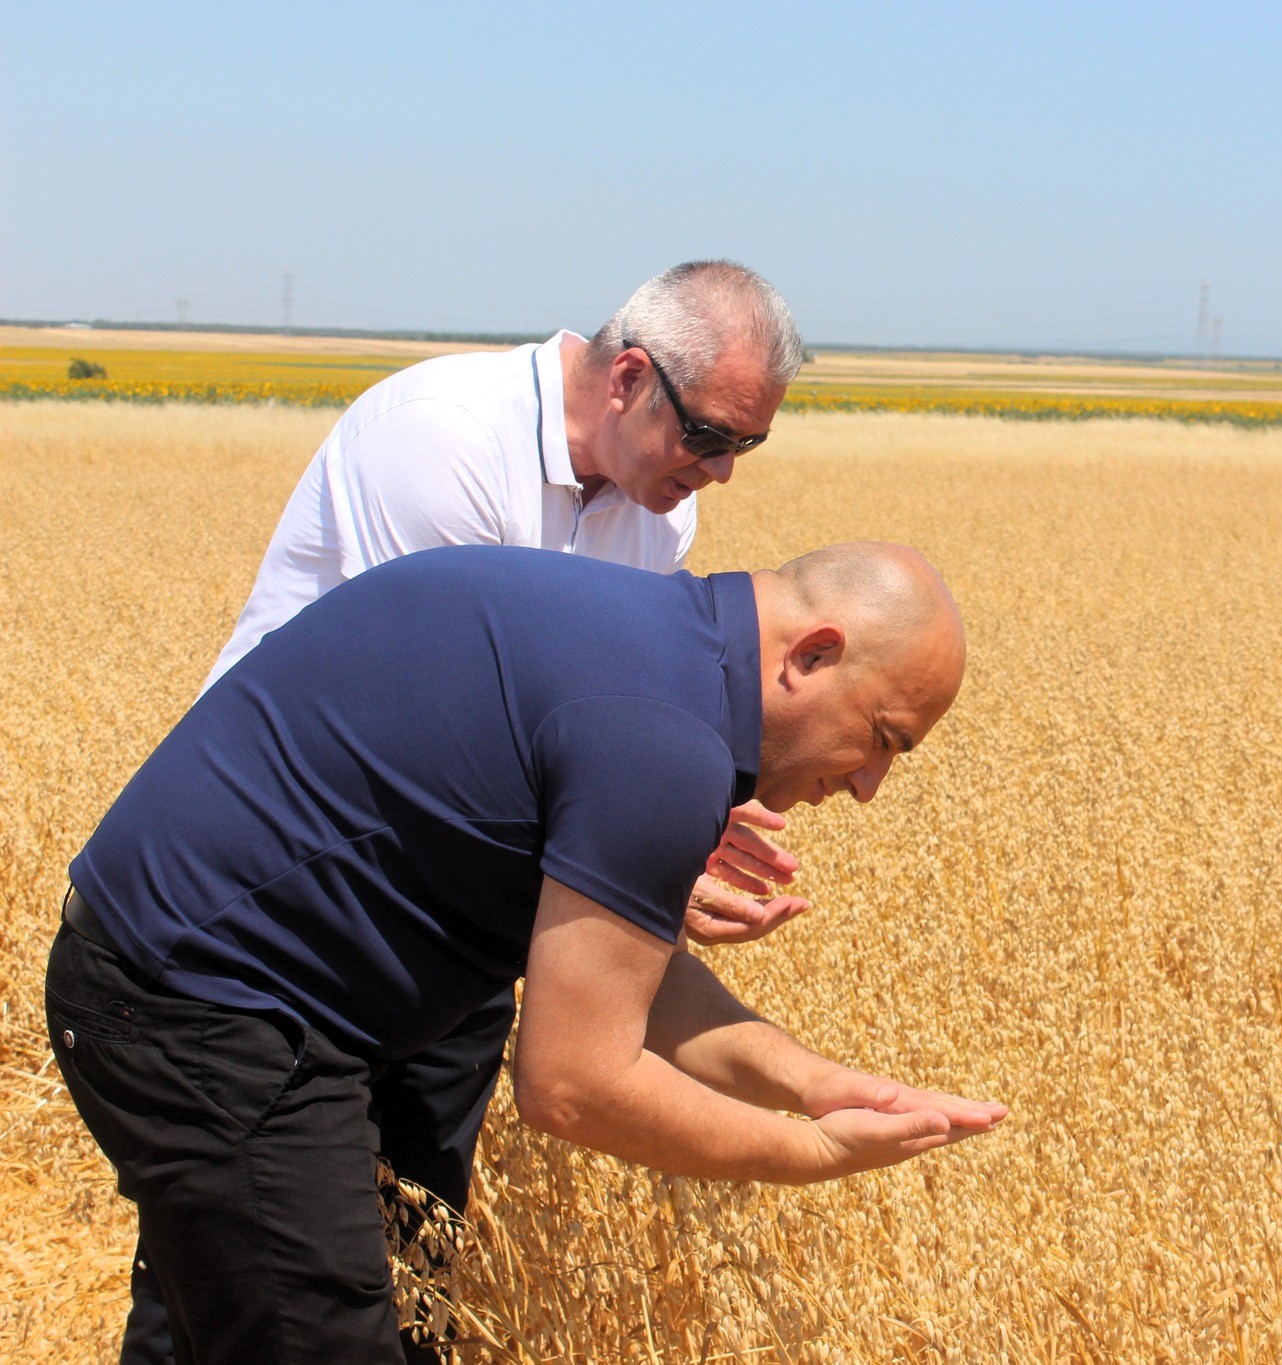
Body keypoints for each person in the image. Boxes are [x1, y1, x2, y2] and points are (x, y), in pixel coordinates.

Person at [49, 540, 1005, 1363]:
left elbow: (623, 970)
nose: (871, 784)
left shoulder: (658, 649)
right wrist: (811, 1151)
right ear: (815, 653)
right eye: (882, 738)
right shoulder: (665, 741)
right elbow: (574, 1083)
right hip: (200, 1007)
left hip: (174, 976)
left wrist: (816, 1083)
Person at [114, 262, 811, 1363]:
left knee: (409, 1236)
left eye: (747, 449)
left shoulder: (651, 515)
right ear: (630, 376)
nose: (720, 474)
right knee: (248, 1261)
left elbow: (589, 736)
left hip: (453, 924)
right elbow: (440, 750)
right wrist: (642, 871)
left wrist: (672, 821)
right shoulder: (439, 441)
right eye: (711, 436)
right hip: (283, 909)